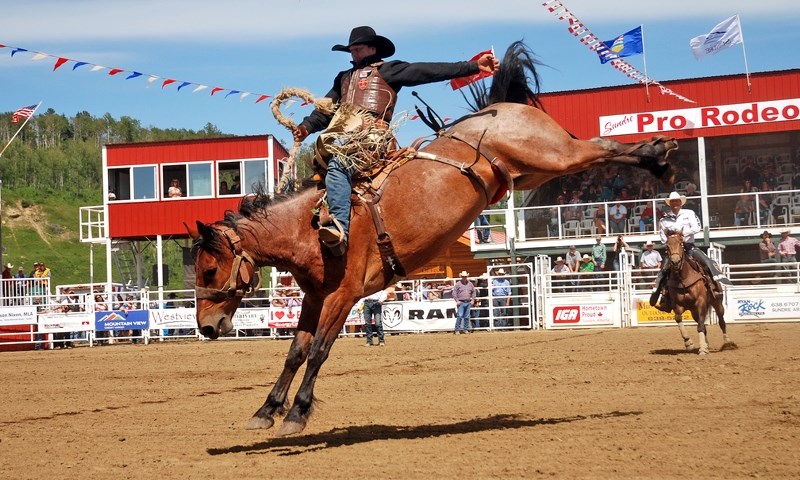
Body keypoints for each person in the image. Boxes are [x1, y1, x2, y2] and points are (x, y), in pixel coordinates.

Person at [292, 25, 499, 255]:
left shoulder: (388, 70)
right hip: (340, 138)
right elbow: (325, 110)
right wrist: (305, 127)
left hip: (371, 139)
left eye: (358, 49)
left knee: (339, 164)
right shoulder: (343, 78)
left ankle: (340, 229)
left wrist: (472, 67)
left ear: (372, 48)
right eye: (351, 50)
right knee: (312, 181)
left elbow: (426, 71)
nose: (353, 54)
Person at [650, 191, 732, 313]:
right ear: (670, 204)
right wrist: (672, 239)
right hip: (673, 249)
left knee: (707, 262)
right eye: (673, 202)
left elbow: (696, 228)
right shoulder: (664, 219)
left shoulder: (689, 213)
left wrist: (682, 234)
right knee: (663, 272)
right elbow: (662, 237)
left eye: (677, 201)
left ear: (680, 203)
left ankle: (715, 288)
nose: (675, 203)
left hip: (688, 247)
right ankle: (662, 298)